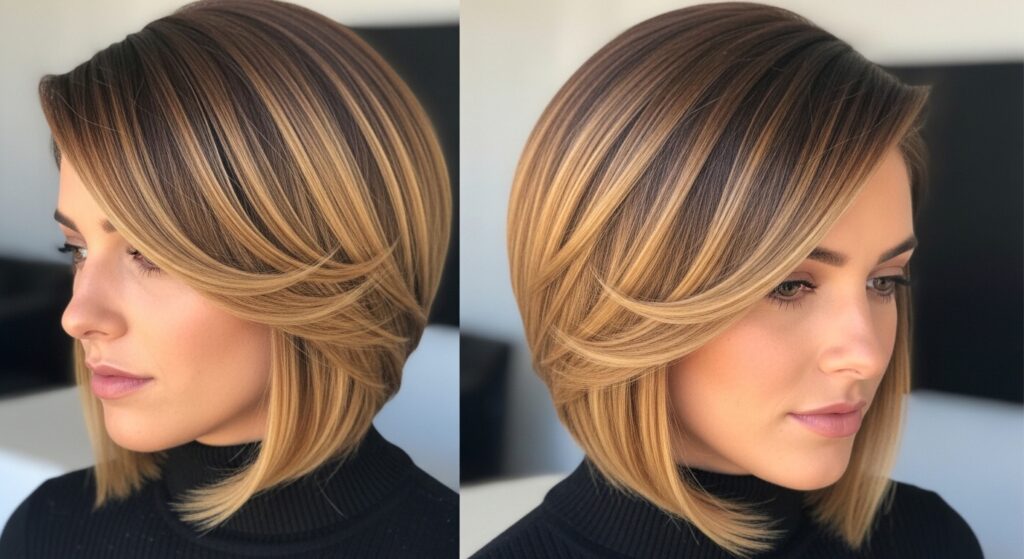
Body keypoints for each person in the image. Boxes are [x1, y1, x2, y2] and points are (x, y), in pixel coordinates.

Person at [472, 3, 982, 558]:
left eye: (884, 282)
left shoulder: (929, 537)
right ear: (619, 304)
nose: (866, 356)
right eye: (788, 285)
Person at [0, 0, 455, 557]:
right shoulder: (47, 531)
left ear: (316, 273)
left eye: (150, 253)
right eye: (76, 249)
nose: (77, 317)